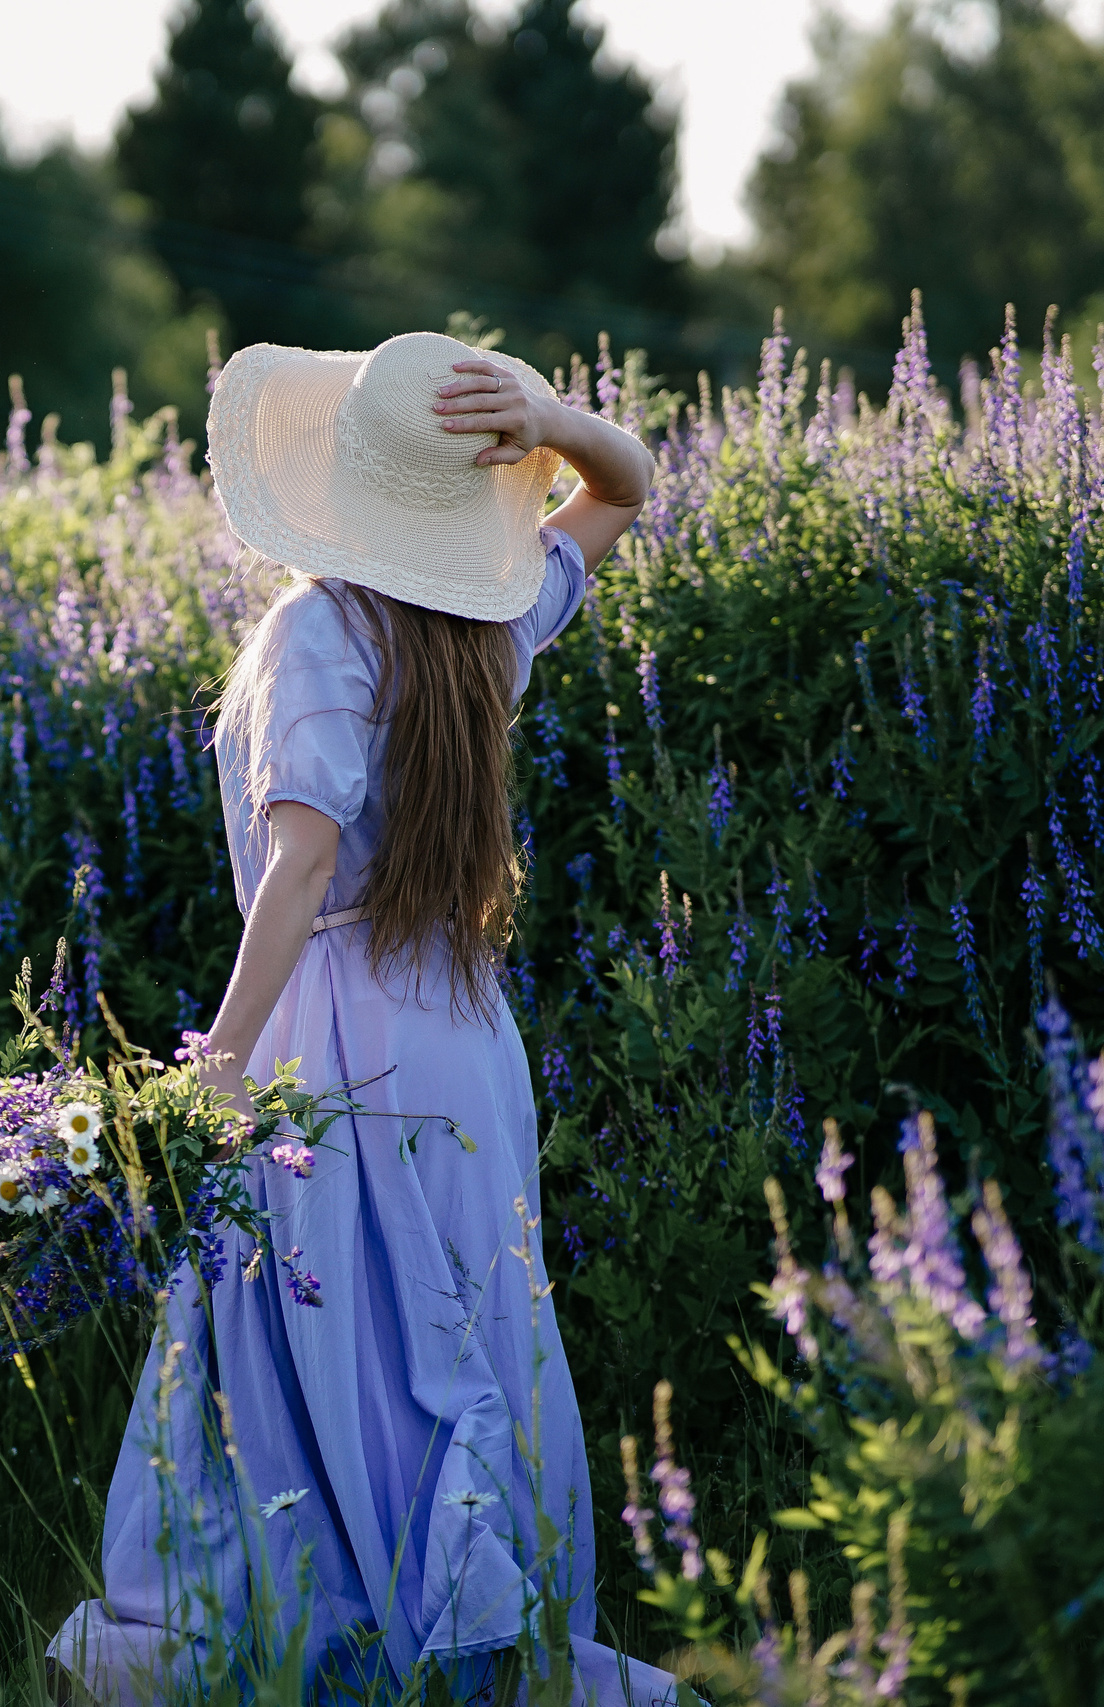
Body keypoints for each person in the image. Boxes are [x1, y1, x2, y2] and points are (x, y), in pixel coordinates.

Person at [49, 331, 675, 1706]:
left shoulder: (315, 626)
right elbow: (627, 489)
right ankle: (463, 1629)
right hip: (459, 1026)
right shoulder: (485, 629)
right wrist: (556, 416)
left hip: (332, 1029)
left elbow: (305, 859)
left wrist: (216, 1064)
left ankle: (330, 1640)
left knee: (315, 1342)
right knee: (460, 1330)